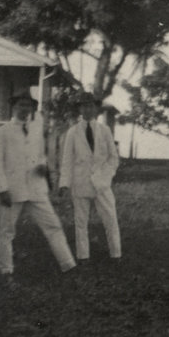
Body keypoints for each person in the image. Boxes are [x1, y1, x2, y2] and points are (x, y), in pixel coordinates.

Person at [0, 92, 76, 280]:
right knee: (7, 231)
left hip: (36, 188)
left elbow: (40, 154)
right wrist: (2, 189)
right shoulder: (3, 131)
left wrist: (42, 166)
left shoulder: (36, 128)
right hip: (12, 190)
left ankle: (68, 264)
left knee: (53, 225)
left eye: (28, 105)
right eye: (21, 105)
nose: (25, 109)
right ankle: (6, 270)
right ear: (14, 107)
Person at [59, 91, 122, 263]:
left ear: (95, 108)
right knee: (81, 222)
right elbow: (67, 160)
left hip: (102, 183)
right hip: (80, 182)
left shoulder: (104, 130)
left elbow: (113, 158)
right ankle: (83, 256)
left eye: (90, 106)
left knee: (110, 218)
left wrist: (106, 176)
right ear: (79, 109)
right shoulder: (73, 132)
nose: (87, 109)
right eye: (83, 106)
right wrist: (64, 183)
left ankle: (116, 255)